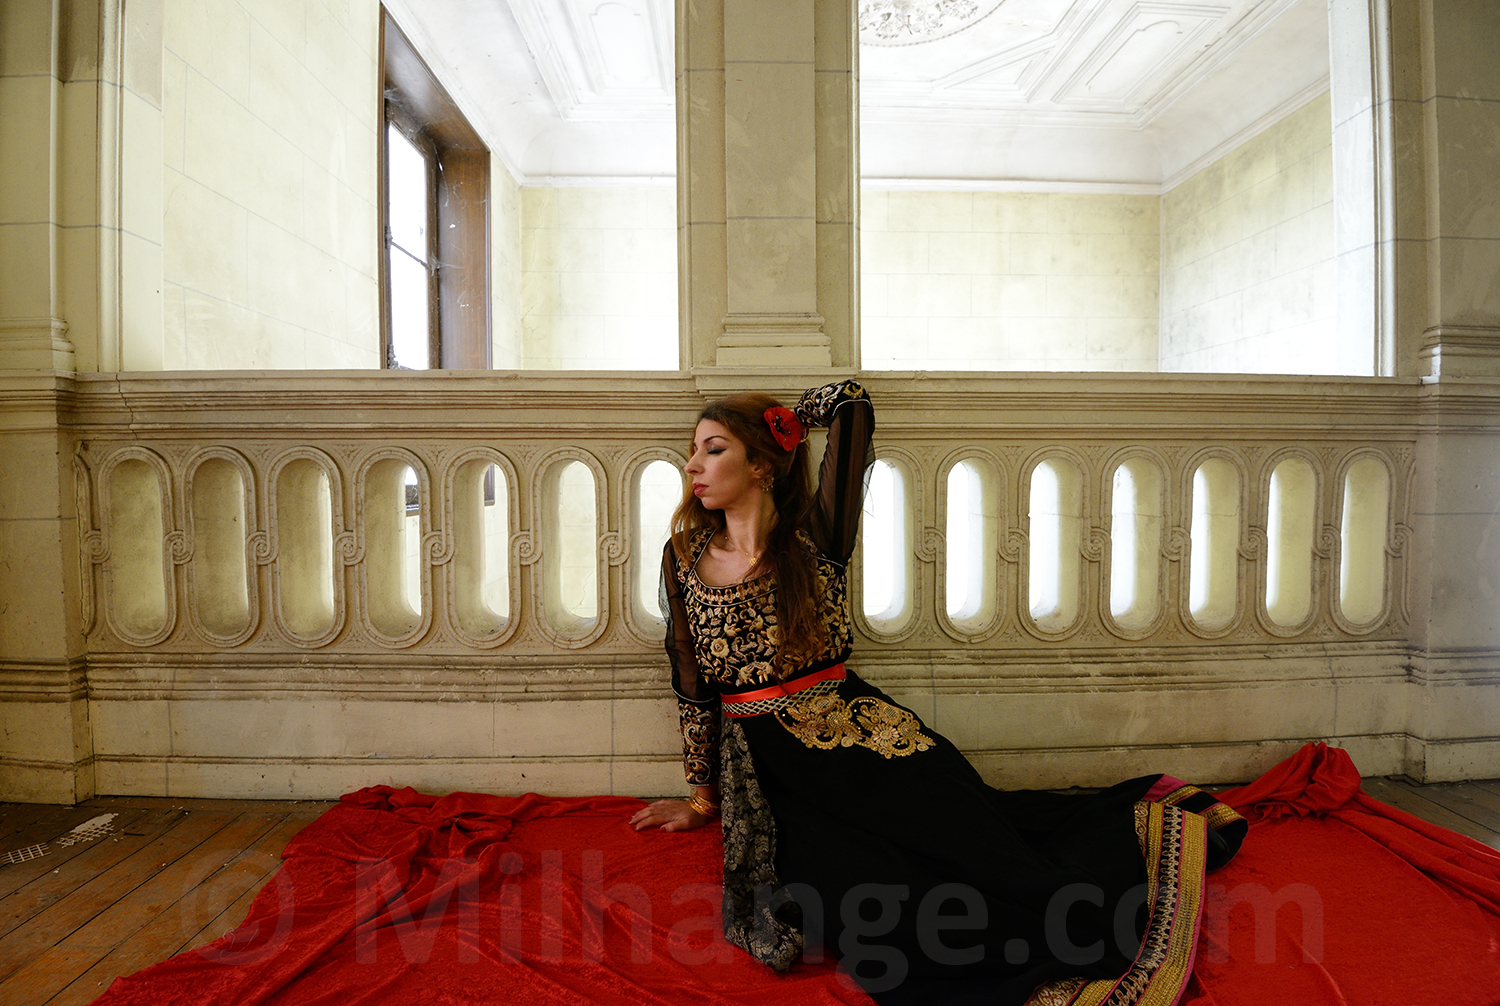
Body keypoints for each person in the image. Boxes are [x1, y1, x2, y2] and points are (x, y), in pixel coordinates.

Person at [629, 381, 1246, 1006]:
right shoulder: (684, 556)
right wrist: (703, 797)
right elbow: (690, 681)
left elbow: (853, 407)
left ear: (761, 464)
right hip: (777, 772)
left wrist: (786, 420)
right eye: (693, 450)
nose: (693, 465)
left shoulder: (816, 537)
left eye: (714, 449)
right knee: (865, 894)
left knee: (978, 843)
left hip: (868, 733)